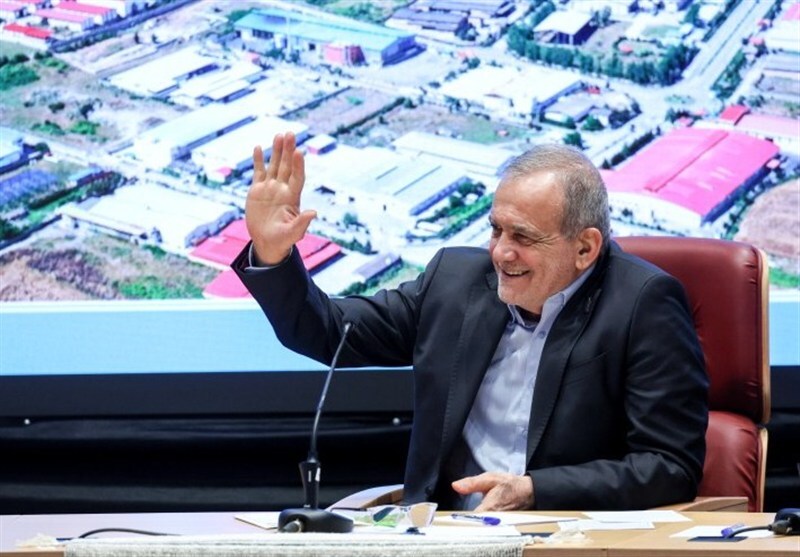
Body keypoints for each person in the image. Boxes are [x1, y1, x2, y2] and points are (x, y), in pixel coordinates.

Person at [232, 132, 708, 511]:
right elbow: (330, 332)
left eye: (523, 237)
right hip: (444, 536)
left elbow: (668, 466)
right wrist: (273, 255)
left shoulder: (642, 304)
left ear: (585, 248)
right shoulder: (456, 281)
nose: (501, 253)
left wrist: (534, 490)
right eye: (496, 229)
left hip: (563, 539)